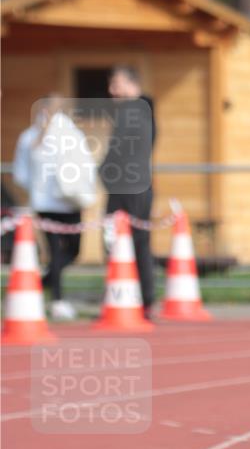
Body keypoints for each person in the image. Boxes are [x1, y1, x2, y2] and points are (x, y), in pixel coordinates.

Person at [12, 95, 93, 320]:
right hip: (67, 203)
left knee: (57, 253)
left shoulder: (28, 137)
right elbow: (85, 166)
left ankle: (42, 283)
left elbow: (21, 175)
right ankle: (56, 298)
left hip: (46, 204)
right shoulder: (69, 135)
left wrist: (36, 189)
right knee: (68, 251)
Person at [100, 66, 157, 320]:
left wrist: (102, 171)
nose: (112, 91)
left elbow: (120, 150)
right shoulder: (145, 110)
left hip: (127, 188)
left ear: (131, 84)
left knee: (119, 243)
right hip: (138, 186)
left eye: (116, 84)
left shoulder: (133, 112)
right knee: (138, 243)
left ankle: (128, 300)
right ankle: (142, 300)